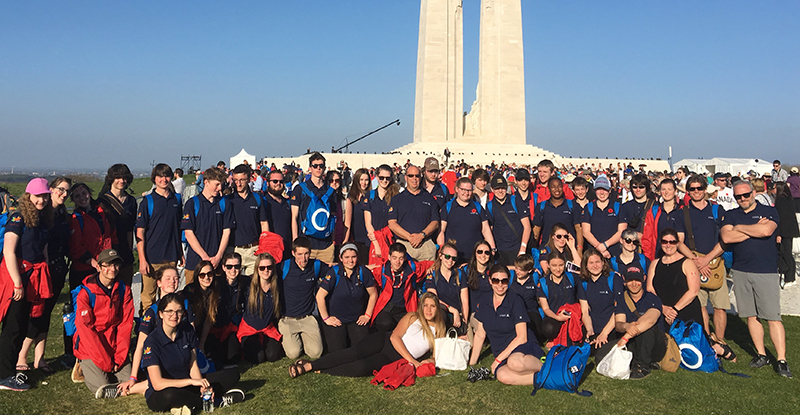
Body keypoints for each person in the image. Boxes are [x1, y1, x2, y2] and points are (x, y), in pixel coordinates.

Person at [721, 181, 792, 378]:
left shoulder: (769, 211)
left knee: (773, 317)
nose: (743, 199)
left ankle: (781, 359)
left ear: (753, 193)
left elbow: (766, 231)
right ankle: (762, 354)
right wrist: (752, 228)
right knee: (751, 316)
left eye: (746, 195)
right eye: (738, 197)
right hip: (741, 270)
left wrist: (739, 229)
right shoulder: (731, 214)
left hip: (766, 271)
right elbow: (726, 237)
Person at [291, 292, 445, 378]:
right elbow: (394, 337)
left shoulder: (439, 329)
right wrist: (413, 362)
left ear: (437, 309)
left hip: (391, 358)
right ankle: (309, 365)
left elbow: (436, 355)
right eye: (425, 306)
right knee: (353, 353)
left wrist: (428, 361)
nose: (428, 310)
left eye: (432, 306)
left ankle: (321, 369)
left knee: (361, 368)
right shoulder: (413, 317)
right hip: (384, 342)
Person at [142, 293, 244, 413]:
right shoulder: (152, 341)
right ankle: (218, 401)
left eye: (178, 311)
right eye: (169, 311)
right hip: (163, 391)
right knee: (170, 395)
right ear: (160, 314)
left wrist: (202, 386)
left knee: (232, 374)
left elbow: (193, 364)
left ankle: (190, 402)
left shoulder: (187, 330)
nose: (174, 315)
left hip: (188, 383)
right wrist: (191, 381)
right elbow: (157, 383)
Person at [0, 178, 53, 391]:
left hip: (33, 278)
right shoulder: (18, 217)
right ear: (28, 196)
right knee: (12, 326)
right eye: (38, 195)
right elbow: (9, 251)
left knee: (22, 325)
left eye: (45, 196)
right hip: (18, 277)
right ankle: (4, 375)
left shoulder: (41, 219)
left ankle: (9, 369)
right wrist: (17, 284)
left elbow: (42, 249)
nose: (42, 200)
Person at [16, 177, 71, 375]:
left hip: (56, 269)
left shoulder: (62, 215)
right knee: (36, 313)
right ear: (51, 190)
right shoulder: (40, 214)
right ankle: (22, 356)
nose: (63, 194)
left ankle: (40, 358)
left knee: (46, 313)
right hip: (39, 269)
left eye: (67, 191)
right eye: (60, 189)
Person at [674, 174, 729, 343]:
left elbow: (725, 238)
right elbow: (679, 241)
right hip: (694, 261)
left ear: (705, 189)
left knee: (720, 306)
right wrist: (696, 261)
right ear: (688, 191)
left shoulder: (717, 210)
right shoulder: (682, 213)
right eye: (692, 189)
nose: (696, 191)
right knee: (701, 305)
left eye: (699, 188)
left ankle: (720, 339)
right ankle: (707, 339)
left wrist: (707, 259)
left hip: (715, 262)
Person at [72, 249, 134, 398]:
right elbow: (86, 331)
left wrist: (119, 358)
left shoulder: (123, 290)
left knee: (130, 382)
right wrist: (106, 362)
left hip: (114, 345)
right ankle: (82, 365)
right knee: (102, 387)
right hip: (91, 347)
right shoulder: (86, 293)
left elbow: (125, 325)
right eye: (107, 265)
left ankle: (108, 371)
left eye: (116, 265)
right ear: (99, 267)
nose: (112, 269)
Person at [118, 266, 188, 397]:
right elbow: (140, 345)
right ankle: (128, 389)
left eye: (175, 278)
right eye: (168, 278)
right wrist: (133, 377)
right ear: (159, 283)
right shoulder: (152, 312)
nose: (172, 281)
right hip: (158, 359)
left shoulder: (184, 304)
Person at [469, 264, 543, 385]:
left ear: (509, 281)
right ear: (490, 281)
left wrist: (498, 359)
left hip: (523, 346)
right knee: (502, 375)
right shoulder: (483, 301)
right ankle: (541, 378)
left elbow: (522, 337)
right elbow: (480, 334)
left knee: (515, 363)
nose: (500, 284)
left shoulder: (516, 300)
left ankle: (545, 367)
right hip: (504, 352)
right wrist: (472, 363)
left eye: (504, 281)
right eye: (495, 280)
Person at [136, 163, 183, 312]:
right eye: (160, 176)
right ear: (154, 179)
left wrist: (180, 252)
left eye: (167, 176)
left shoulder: (177, 199)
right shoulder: (147, 202)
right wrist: (142, 259)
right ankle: (146, 330)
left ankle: (166, 328)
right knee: (148, 298)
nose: (164, 179)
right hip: (152, 257)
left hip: (171, 256)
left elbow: (178, 228)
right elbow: (140, 232)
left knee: (169, 296)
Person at [317, 244, 377, 352]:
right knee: (338, 351)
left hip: (356, 319)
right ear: (341, 258)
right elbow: (320, 296)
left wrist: (367, 315)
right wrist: (326, 318)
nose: (350, 260)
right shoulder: (334, 272)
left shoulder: (363, 271)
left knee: (362, 350)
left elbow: (373, 294)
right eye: (347, 257)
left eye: (353, 257)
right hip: (337, 320)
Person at [182, 167, 234, 284]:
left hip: (217, 263)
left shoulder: (224, 203)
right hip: (195, 263)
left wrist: (218, 256)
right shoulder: (192, 204)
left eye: (221, 185)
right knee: (193, 298)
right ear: (206, 182)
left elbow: (227, 231)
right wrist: (205, 257)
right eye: (216, 185)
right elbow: (188, 233)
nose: (219, 188)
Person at [278, 237, 327, 360]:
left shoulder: (316, 265)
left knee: (316, 353)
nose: (303, 258)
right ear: (293, 253)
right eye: (299, 254)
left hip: (307, 317)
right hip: (288, 319)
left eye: (306, 254)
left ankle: (305, 339)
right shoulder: (284, 266)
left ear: (310, 253)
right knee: (293, 354)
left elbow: (335, 271)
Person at [613, 267, 667, 379]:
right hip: (633, 343)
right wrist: (626, 326)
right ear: (624, 281)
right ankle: (635, 361)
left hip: (655, 345)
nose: (634, 284)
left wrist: (626, 336)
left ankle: (643, 367)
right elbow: (618, 324)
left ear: (643, 279)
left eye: (637, 280)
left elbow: (650, 319)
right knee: (601, 356)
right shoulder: (621, 298)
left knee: (647, 328)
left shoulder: (653, 298)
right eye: (630, 280)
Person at [371, 243, 431, 333]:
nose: (397, 262)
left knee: (414, 329)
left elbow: (430, 264)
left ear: (405, 258)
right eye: (394, 258)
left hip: (405, 308)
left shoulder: (412, 269)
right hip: (388, 307)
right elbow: (365, 273)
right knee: (384, 323)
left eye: (401, 258)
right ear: (389, 257)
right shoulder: (382, 270)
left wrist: (433, 267)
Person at [577, 250, 624, 359]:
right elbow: (585, 311)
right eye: (591, 263)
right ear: (586, 266)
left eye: (597, 262)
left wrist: (604, 333)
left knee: (602, 353)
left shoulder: (613, 278)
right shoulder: (583, 282)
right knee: (588, 350)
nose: (595, 266)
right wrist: (589, 330)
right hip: (593, 326)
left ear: (603, 263)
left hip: (611, 327)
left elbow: (619, 308)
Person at [238, 253, 284, 364]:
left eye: (269, 267)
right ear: (257, 269)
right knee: (258, 358)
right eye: (262, 268)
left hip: (267, 329)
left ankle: (264, 343)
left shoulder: (277, 286)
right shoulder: (248, 284)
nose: (266, 270)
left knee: (273, 356)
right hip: (249, 329)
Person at [291, 152, 336, 264]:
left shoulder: (331, 191)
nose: (318, 168)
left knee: (327, 280)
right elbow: (294, 217)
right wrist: (295, 241)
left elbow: (334, 218)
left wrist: (333, 242)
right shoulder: (300, 189)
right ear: (310, 168)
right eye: (315, 166)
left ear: (325, 168)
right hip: (306, 244)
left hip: (326, 246)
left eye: (321, 166)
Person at [387, 165, 440, 261]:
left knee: (428, 275)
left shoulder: (429, 198)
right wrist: (410, 237)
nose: (414, 179)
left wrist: (421, 235)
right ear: (406, 178)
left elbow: (435, 222)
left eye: (417, 176)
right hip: (404, 245)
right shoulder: (397, 199)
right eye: (411, 176)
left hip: (425, 245)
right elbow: (392, 223)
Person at [206, 252, 249, 366]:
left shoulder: (245, 283)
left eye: (237, 266)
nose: (233, 270)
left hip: (233, 326)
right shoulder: (215, 284)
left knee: (232, 358)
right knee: (215, 358)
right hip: (216, 326)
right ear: (223, 267)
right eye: (229, 266)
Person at [98, 164, 137, 286]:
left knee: (125, 287)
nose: (122, 181)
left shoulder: (131, 201)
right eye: (118, 178)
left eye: (124, 178)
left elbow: (130, 229)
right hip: (108, 248)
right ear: (111, 179)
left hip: (125, 249)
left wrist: (130, 250)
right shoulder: (102, 201)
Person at [438, 177, 495, 261]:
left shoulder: (478, 207)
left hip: (475, 257)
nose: (466, 193)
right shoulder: (448, 207)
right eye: (463, 190)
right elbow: (441, 231)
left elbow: (486, 229)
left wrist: (492, 248)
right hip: (453, 257)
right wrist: (441, 249)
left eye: (469, 190)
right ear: (457, 189)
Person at [229, 164, 269, 277]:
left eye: (241, 180)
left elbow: (264, 223)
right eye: (236, 180)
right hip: (235, 249)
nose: (238, 183)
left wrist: (264, 247)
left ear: (249, 180)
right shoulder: (229, 200)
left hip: (253, 249)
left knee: (253, 286)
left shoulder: (257, 198)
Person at [424, 241, 469, 334]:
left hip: (457, 316)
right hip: (441, 312)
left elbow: (465, 301)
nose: (450, 261)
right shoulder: (432, 275)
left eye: (454, 258)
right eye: (447, 257)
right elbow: (434, 299)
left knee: (468, 342)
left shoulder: (460, 274)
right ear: (440, 256)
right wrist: (453, 310)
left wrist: (464, 320)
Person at [487, 175, 531, 266]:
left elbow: (527, 226)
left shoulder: (515, 200)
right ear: (492, 189)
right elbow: (488, 230)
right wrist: (492, 248)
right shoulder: (490, 206)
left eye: (503, 188)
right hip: (500, 250)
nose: (500, 191)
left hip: (517, 248)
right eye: (497, 188)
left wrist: (523, 248)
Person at [536, 251, 578, 343]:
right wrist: (558, 317)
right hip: (554, 316)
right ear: (548, 265)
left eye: (561, 265)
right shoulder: (543, 283)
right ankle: (552, 338)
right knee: (549, 328)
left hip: (572, 315)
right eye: (554, 265)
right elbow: (546, 309)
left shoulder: (572, 277)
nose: (558, 269)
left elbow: (583, 270)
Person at [581, 174, 625, 259]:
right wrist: (599, 248)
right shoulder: (589, 207)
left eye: (605, 189)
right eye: (599, 189)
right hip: (593, 253)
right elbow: (585, 232)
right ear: (594, 190)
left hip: (614, 253)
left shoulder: (618, 207)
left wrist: (605, 245)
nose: (602, 192)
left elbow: (621, 231)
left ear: (610, 190)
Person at [532, 177, 583, 250]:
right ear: (549, 189)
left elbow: (579, 229)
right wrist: (533, 249)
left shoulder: (572, 205)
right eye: (553, 187)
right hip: (547, 249)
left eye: (559, 186)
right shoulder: (542, 207)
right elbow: (536, 229)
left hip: (568, 249)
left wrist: (579, 250)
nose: (557, 189)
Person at [365, 164, 400, 260]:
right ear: (376, 177)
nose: (384, 181)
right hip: (373, 241)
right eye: (381, 178)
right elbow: (368, 223)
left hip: (390, 240)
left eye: (387, 178)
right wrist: (376, 244)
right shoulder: (370, 196)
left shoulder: (396, 196)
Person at [183, 261, 217, 355]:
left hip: (204, 330)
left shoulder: (214, 291)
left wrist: (201, 345)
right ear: (197, 276)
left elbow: (208, 321)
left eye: (209, 274)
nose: (206, 277)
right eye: (202, 275)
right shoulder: (190, 291)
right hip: (188, 330)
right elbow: (189, 321)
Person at [463, 240, 494, 342]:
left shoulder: (494, 270)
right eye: (479, 252)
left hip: (492, 310)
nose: (483, 255)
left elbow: (506, 269)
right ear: (475, 253)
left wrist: (527, 269)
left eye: (487, 252)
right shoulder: (466, 271)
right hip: (475, 313)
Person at [509, 254, 544, 342]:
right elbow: (498, 269)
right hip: (514, 311)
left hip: (531, 310)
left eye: (521, 270)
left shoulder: (535, 277)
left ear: (529, 270)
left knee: (537, 334)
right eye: (516, 268)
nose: (518, 271)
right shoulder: (511, 276)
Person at [773, 182, 799, 287]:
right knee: (787, 253)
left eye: (775, 188)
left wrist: (779, 234)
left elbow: (782, 219)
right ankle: (788, 275)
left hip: (785, 231)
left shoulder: (781, 201)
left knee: (786, 253)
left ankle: (790, 278)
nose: (773, 189)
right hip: (790, 230)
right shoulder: (789, 199)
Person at [264, 170, 293, 260]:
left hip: (287, 250)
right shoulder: (263, 202)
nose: (278, 184)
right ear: (268, 183)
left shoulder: (288, 203)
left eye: (281, 182)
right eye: (275, 181)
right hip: (270, 251)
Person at [345, 168, 371, 264]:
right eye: (361, 180)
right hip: (355, 237)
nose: (364, 183)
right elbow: (348, 220)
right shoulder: (352, 197)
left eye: (366, 180)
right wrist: (346, 240)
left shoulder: (371, 196)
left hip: (368, 238)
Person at [619, 174, 654, 241]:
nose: (638, 190)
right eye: (635, 187)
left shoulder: (654, 206)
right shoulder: (625, 206)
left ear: (646, 188)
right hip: (630, 244)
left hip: (649, 244)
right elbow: (622, 230)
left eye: (641, 187)